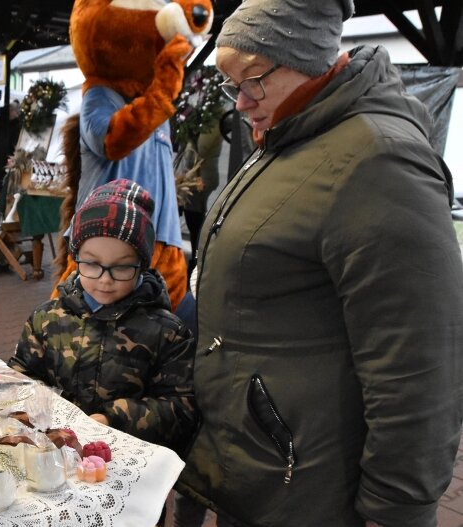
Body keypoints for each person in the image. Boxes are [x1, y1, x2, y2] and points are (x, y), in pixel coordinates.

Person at [175, 1, 463, 526]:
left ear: (303, 58)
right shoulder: (292, 134)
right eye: (232, 85)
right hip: (259, 470)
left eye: (252, 81)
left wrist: (397, 508)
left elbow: (418, 362)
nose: (239, 103)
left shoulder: (378, 161)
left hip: (309, 489)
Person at [8, 179, 197, 454]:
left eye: (122, 268)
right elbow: (21, 377)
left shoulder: (167, 332)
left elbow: (180, 407)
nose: (105, 280)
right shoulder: (47, 319)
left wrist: (113, 418)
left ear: (142, 265)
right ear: (76, 258)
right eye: (92, 264)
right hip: (53, 458)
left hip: (126, 462)